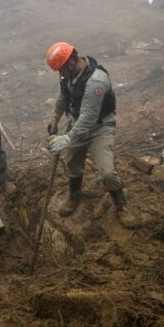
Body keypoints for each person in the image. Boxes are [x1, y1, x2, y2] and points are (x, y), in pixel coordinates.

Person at [44, 42, 138, 228]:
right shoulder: (69, 76)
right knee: (72, 163)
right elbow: (64, 95)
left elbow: (89, 118)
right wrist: (54, 117)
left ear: (71, 62)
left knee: (107, 172)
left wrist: (67, 139)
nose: (60, 74)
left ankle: (121, 206)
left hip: (99, 127)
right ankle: (74, 196)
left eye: (61, 69)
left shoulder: (96, 81)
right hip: (78, 122)